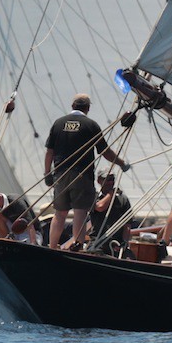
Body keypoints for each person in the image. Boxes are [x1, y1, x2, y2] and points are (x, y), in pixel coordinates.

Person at [44, 93, 128, 249]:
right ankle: (77, 246)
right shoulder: (91, 125)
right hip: (82, 175)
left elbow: (50, 152)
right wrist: (122, 163)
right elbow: (105, 152)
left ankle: (52, 246)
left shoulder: (58, 124)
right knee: (80, 211)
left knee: (60, 212)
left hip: (60, 175)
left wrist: (47, 174)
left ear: (72, 106)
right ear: (88, 108)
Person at [87, 172, 133, 255]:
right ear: (99, 180)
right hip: (97, 243)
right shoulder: (94, 196)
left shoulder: (123, 199)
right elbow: (100, 207)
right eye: (107, 179)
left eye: (112, 180)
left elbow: (127, 225)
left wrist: (124, 242)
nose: (111, 182)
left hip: (116, 244)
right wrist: (111, 193)